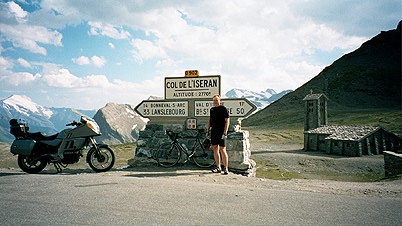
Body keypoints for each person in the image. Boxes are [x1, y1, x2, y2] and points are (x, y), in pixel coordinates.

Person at [207, 94, 230, 175]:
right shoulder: (212, 109)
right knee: (215, 149)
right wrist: (208, 130)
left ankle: (226, 168)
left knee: (222, 149)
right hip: (214, 131)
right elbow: (210, 120)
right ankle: (218, 167)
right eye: (214, 100)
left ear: (220, 101)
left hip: (221, 131)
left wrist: (225, 132)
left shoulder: (223, 109)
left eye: (216, 100)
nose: (215, 102)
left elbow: (227, 121)